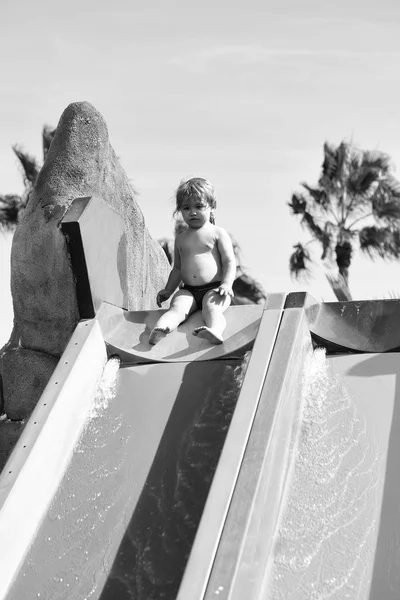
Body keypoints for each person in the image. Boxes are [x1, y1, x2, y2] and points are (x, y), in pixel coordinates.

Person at [149, 177, 236, 345]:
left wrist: (226, 284)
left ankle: (215, 331)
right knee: (177, 308)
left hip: (215, 289)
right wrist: (168, 290)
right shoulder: (181, 238)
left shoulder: (218, 233)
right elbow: (178, 269)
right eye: (186, 208)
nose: (192, 212)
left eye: (199, 206)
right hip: (188, 290)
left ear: (212, 207)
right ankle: (161, 329)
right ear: (180, 210)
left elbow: (229, 262)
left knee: (212, 310)